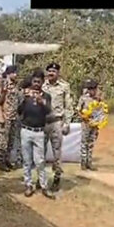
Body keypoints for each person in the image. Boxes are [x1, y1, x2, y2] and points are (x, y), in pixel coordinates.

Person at [18, 70, 56, 199]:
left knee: (40, 161)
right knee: (27, 161)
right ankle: (28, 185)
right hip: (26, 130)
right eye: (34, 81)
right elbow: (19, 111)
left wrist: (41, 102)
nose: (36, 84)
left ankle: (44, 186)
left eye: (38, 82)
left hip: (39, 131)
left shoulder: (46, 96)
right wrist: (23, 99)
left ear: (42, 82)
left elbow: (49, 112)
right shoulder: (26, 94)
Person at [42, 62, 73, 190]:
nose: (51, 73)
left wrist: (67, 123)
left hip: (57, 122)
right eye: (49, 71)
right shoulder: (42, 85)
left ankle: (57, 177)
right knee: (40, 152)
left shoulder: (64, 86)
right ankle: (41, 179)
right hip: (42, 122)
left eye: (53, 71)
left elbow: (68, 106)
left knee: (57, 151)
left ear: (58, 73)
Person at [0, 65, 22, 171]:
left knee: (11, 140)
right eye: (14, 72)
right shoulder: (3, 84)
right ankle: (0, 161)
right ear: (9, 73)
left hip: (14, 116)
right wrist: (1, 116)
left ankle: (6, 159)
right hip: (5, 116)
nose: (16, 75)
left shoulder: (16, 85)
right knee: (3, 140)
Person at [78, 79, 102, 171]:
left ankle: (89, 162)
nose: (91, 91)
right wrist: (83, 117)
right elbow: (78, 110)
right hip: (86, 123)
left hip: (94, 123)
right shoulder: (83, 98)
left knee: (91, 143)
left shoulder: (98, 99)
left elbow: (101, 111)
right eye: (89, 88)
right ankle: (83, 163)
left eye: (93, 88)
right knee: (84, 142)